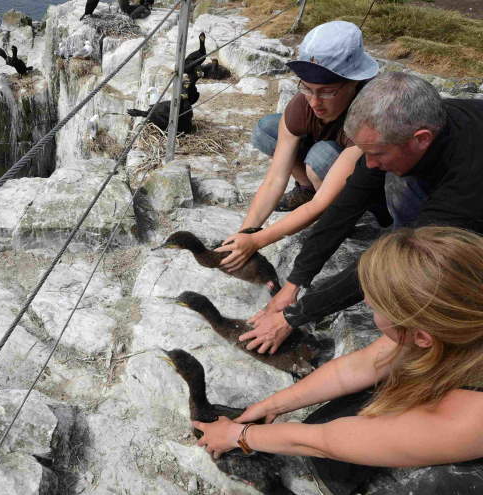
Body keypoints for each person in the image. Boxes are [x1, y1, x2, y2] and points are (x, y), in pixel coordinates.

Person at [194, 226, 483, 494]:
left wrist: (239, 436)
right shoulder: (454, 324)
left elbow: (327, 442)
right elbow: (358, 367)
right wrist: (272, 405)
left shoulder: (471, 420)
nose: (367, 303)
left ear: (421, 337)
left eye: (376, 305)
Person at [243, 71, 483, 354]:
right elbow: (346, 206)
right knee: (389, 180)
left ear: (421, 139)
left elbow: (400, 257)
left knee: (427, 264)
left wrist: (294, 317)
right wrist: (295, 281)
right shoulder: (406, 131)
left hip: (473, 203)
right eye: (364, 151)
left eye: (377, 153)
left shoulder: (467, 178)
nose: (369, 164)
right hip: (444, 177)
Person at [215, 21, 385, 273]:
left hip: (373, 188)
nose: (315, 102)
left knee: (320, 158)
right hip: (329, 155)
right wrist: (245, 233)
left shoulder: (368, 116)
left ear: (353, 84)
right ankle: (307, 188)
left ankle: (343, 215)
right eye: (307, 88)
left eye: (327, 91)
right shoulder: (303, 104)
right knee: (268, 129)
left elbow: (321, 203)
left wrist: (257, 241)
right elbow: (275, 178)